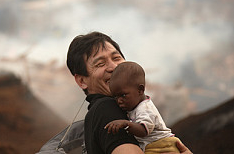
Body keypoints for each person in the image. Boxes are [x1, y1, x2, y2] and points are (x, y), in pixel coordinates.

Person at [36, 31, 192, 154]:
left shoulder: (124, 109)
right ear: (82, 81)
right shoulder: (106, 109)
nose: (113, 67)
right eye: (100, 64)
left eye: (116, 58)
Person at [104, 61, 181, 153]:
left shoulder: (145, 108)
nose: (119, 100)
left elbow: (143, 131)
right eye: (116, 97)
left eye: (123, 95)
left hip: (163, 145)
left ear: (140, 90)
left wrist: (126, 124)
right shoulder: (134, 107)